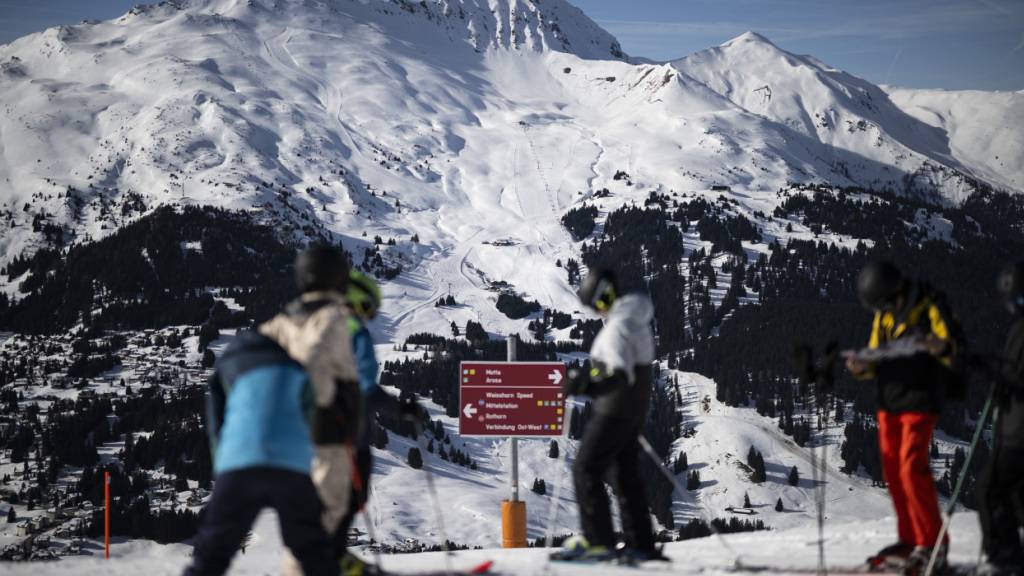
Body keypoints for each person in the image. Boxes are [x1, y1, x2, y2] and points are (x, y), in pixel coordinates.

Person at [184, 331, 338, 576]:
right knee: (313, 553)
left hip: (240, 465)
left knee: (212, 554)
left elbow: (215, 420)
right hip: (292, 468)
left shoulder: (227, 364)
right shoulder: (296, 368)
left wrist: (222, 466)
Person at [845, 261, 960, 573]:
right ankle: (910, 540)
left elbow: (952, 347)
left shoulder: (928, 306)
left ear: (894, 291)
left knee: (912, 469)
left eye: (882, 303)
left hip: (920, 398)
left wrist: (932, 344)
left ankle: (934, 544)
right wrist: (860, 366)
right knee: (894, 473)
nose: (881, 310)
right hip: (889, 402)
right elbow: (874, 356)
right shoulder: (884, 316)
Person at [260, 245, 361, 572]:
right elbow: (315, 362)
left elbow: (250, 357)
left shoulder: (282, 319)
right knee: (324, 520)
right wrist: (322, 402)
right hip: (325, 435)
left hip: (286, 441)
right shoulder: (333, 317)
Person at [552, 268, 660, 564]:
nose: (597, 312)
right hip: (632, 410)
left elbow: (619, 375)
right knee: (624, 475)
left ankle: (599, 542)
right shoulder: (634, 319)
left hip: (615, 410)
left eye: (596, 305)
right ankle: (641, 544)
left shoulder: (619, 327)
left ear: (606, 296)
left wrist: (585, 385)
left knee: (586, 468)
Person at [336, 270, 406, 576]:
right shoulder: (355, 332)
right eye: (369, 307)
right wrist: (401, 409)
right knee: (350, 494)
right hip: (346, 432)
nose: (372, 315)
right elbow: (365, 386)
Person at [977, 261, 1024, 576]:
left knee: (991, 489)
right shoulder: (1018, 328)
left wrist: (1000, 378)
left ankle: (1006, 560)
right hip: (1014, 424)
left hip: (1019, 431)